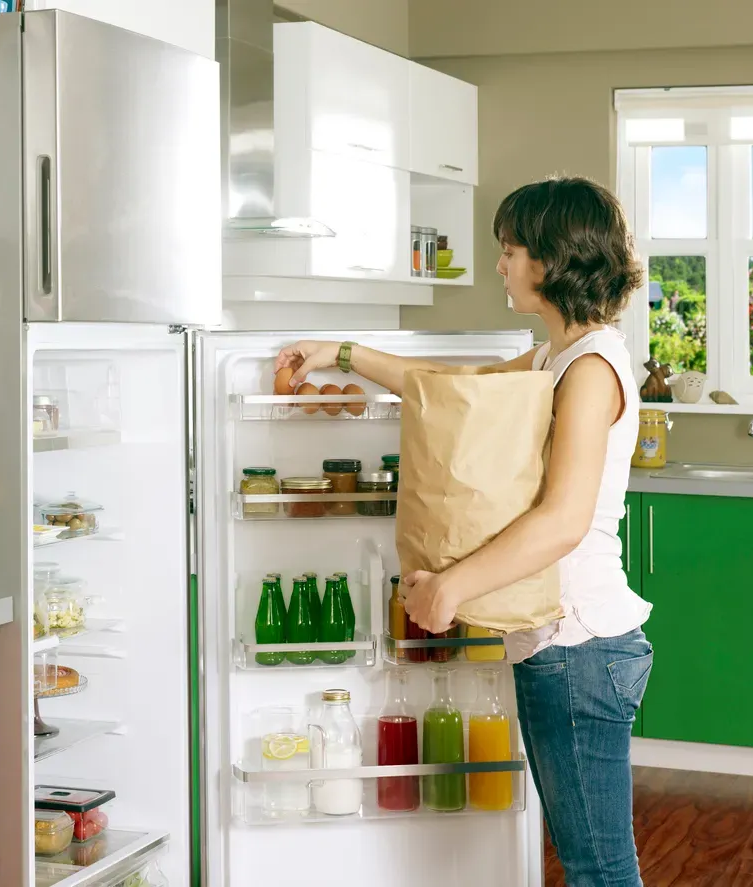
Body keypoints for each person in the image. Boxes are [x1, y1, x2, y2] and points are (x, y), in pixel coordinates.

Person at [275, 176, 653, 886]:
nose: (502, 265)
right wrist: (345, 353)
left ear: (552, 259)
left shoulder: (592, 369)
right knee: (589, 863)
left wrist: (450, 587)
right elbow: (455, 390)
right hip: (563, 645)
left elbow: (563, 520)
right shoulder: (558, 357)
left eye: (510, 250)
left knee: (599, 869)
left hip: (579, 645)